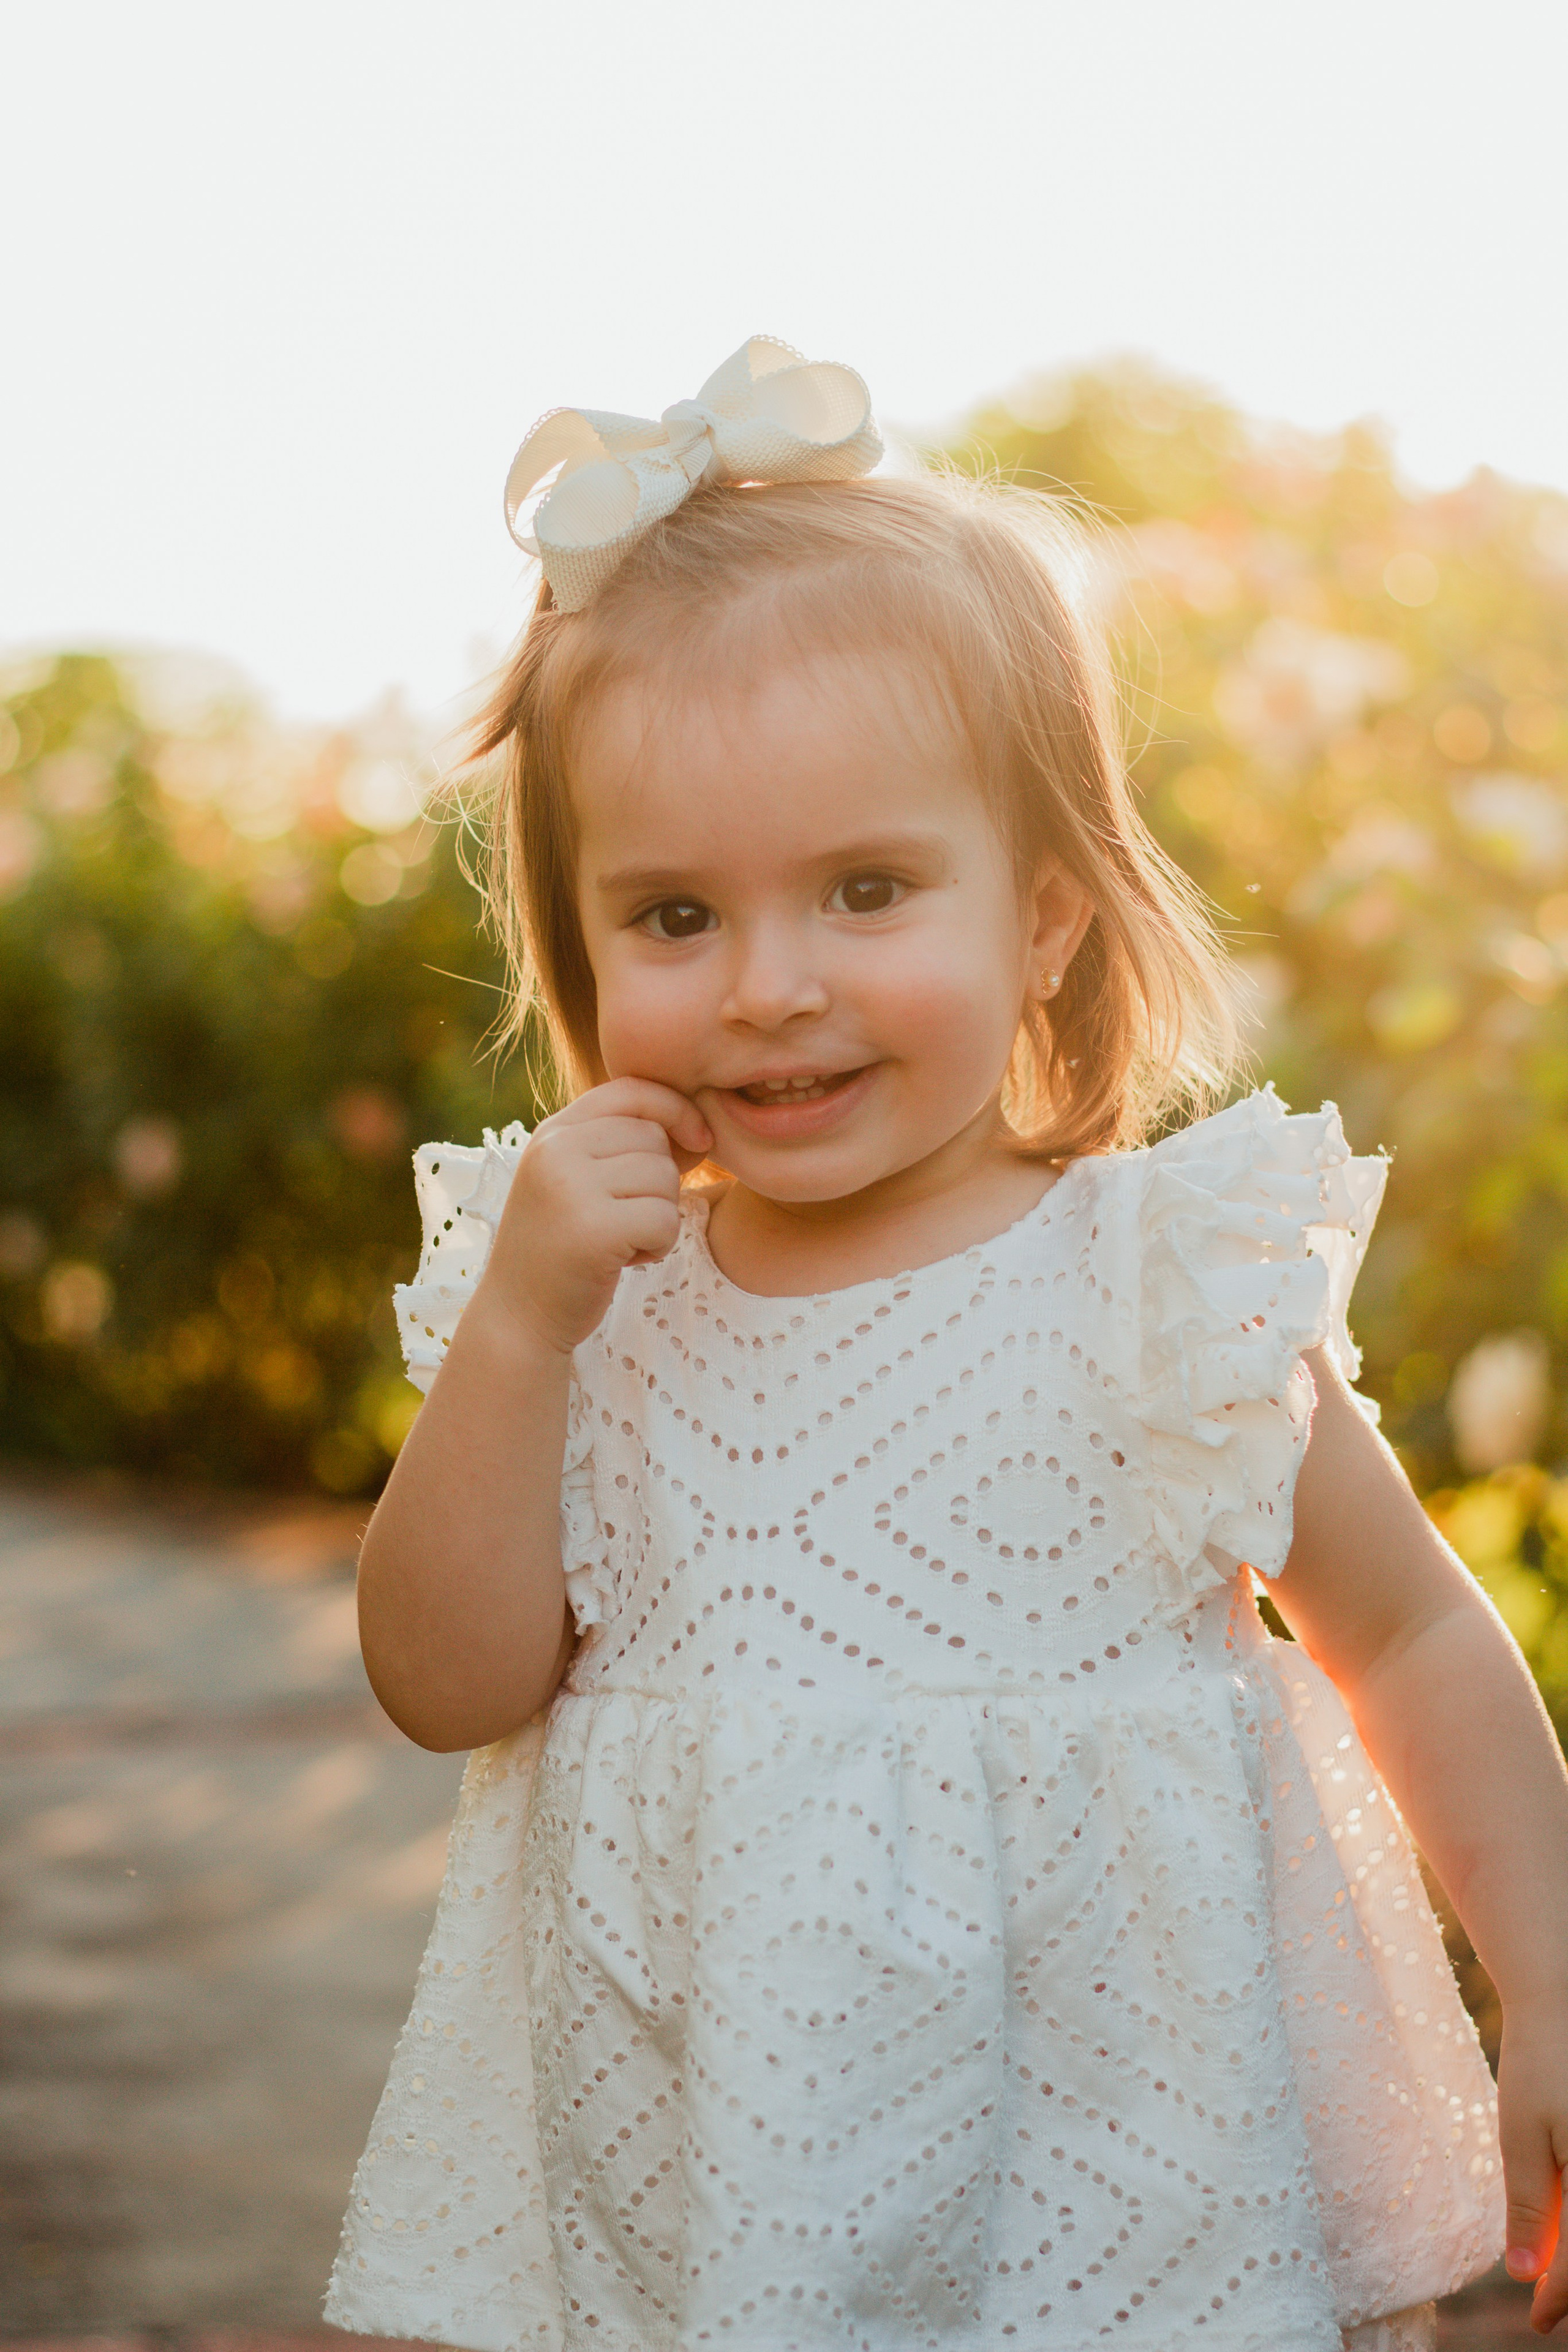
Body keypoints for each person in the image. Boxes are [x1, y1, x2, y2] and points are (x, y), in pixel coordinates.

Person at [325, 339, 1568, 2351]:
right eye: (672, 918)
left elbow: (1408, 1628)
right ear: (573, 940)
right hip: (721, 2201)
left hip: (1132, 2196)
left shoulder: (1158, 1286)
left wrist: (1554, 1971)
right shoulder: (585, 1318)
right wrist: (523, 1336)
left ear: (1051, 917)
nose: (772, 988)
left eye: (868, 888)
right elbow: (447, 1683)